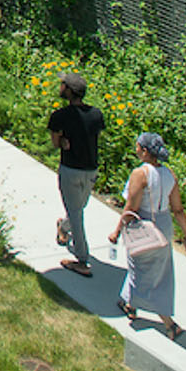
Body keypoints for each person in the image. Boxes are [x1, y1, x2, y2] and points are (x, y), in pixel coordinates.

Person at [112, 131, 186, 339]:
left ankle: (169, 323)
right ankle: (129, 304)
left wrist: (117, 231)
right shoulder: (170, 175)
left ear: (144, 151)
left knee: (141, 271)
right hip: (164, 226)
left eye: (138, 146)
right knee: (159, 272)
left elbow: (131, 207)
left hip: (144, 227)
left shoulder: (140, 174)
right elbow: (178, 209)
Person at [48, 72, 107, 276]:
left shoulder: (59, 117)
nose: (60, 86)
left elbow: (56, 144)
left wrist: (64, 141)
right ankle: (68, 232)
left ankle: (82, 261)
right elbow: (93, 136)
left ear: (69, 91)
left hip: (71, 170)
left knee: (76, 211)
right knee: (78, 210)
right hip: (91, 170)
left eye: (63, 84)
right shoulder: (96, 114)